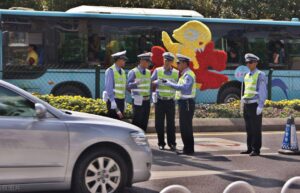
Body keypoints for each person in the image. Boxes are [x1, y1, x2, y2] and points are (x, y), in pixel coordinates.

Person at [160, 54, 196, 155]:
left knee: (186, 127)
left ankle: (188, 149)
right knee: (184, 126)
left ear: (184, 63)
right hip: (183, 102)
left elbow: (185, 88)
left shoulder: (188, 74)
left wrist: (169, 84)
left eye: (179, 63)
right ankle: (187, 148)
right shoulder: (184, 74)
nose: (177, 65)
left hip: (187, 103)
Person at [241, 53, 267, 156]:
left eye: (250, 62)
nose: (248, 64)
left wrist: (260, 105)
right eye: (247, 62)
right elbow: (246, 90)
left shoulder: (260, 74)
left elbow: (263, 91)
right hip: (247, 104)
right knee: (249, 128)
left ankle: (256, 149)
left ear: (256, 63)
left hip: (255, 104)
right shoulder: (246, 75)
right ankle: (249, 148)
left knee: (256, 128)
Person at [152, 52, 179, 151]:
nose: (166, 62)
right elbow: (150, 83)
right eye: (165, 60)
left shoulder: (176, 73)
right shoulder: (157, 71)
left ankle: (172, 143)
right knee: (159, 123)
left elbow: (178, 86)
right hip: (160, 101)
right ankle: (161, 143)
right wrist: (155, 82)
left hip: (170, 101)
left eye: (168, 61)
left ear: (172, 62)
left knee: (171, 124)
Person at [127, 52, 152, 132]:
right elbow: (128, 86)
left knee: (145, 121)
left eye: (149, 61)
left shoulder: (148, 72)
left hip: (147, 100)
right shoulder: (133, 72)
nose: (149, 63)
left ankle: (143, 137)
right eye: (147, 61)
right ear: (142, 61)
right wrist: (135, 84)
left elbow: (149, 86)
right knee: (137, 121)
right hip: (138, 100)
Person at [103, 50, 127, 120]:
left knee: (120, 122)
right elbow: (109, 88)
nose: (125, 61)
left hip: (121, 101)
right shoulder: (110, 70)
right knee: (114, 122)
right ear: (118, 60)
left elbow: (123, 88)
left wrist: (124, 100)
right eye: (123, 60)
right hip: (113, 101)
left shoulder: (122, 71)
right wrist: (112, 101)